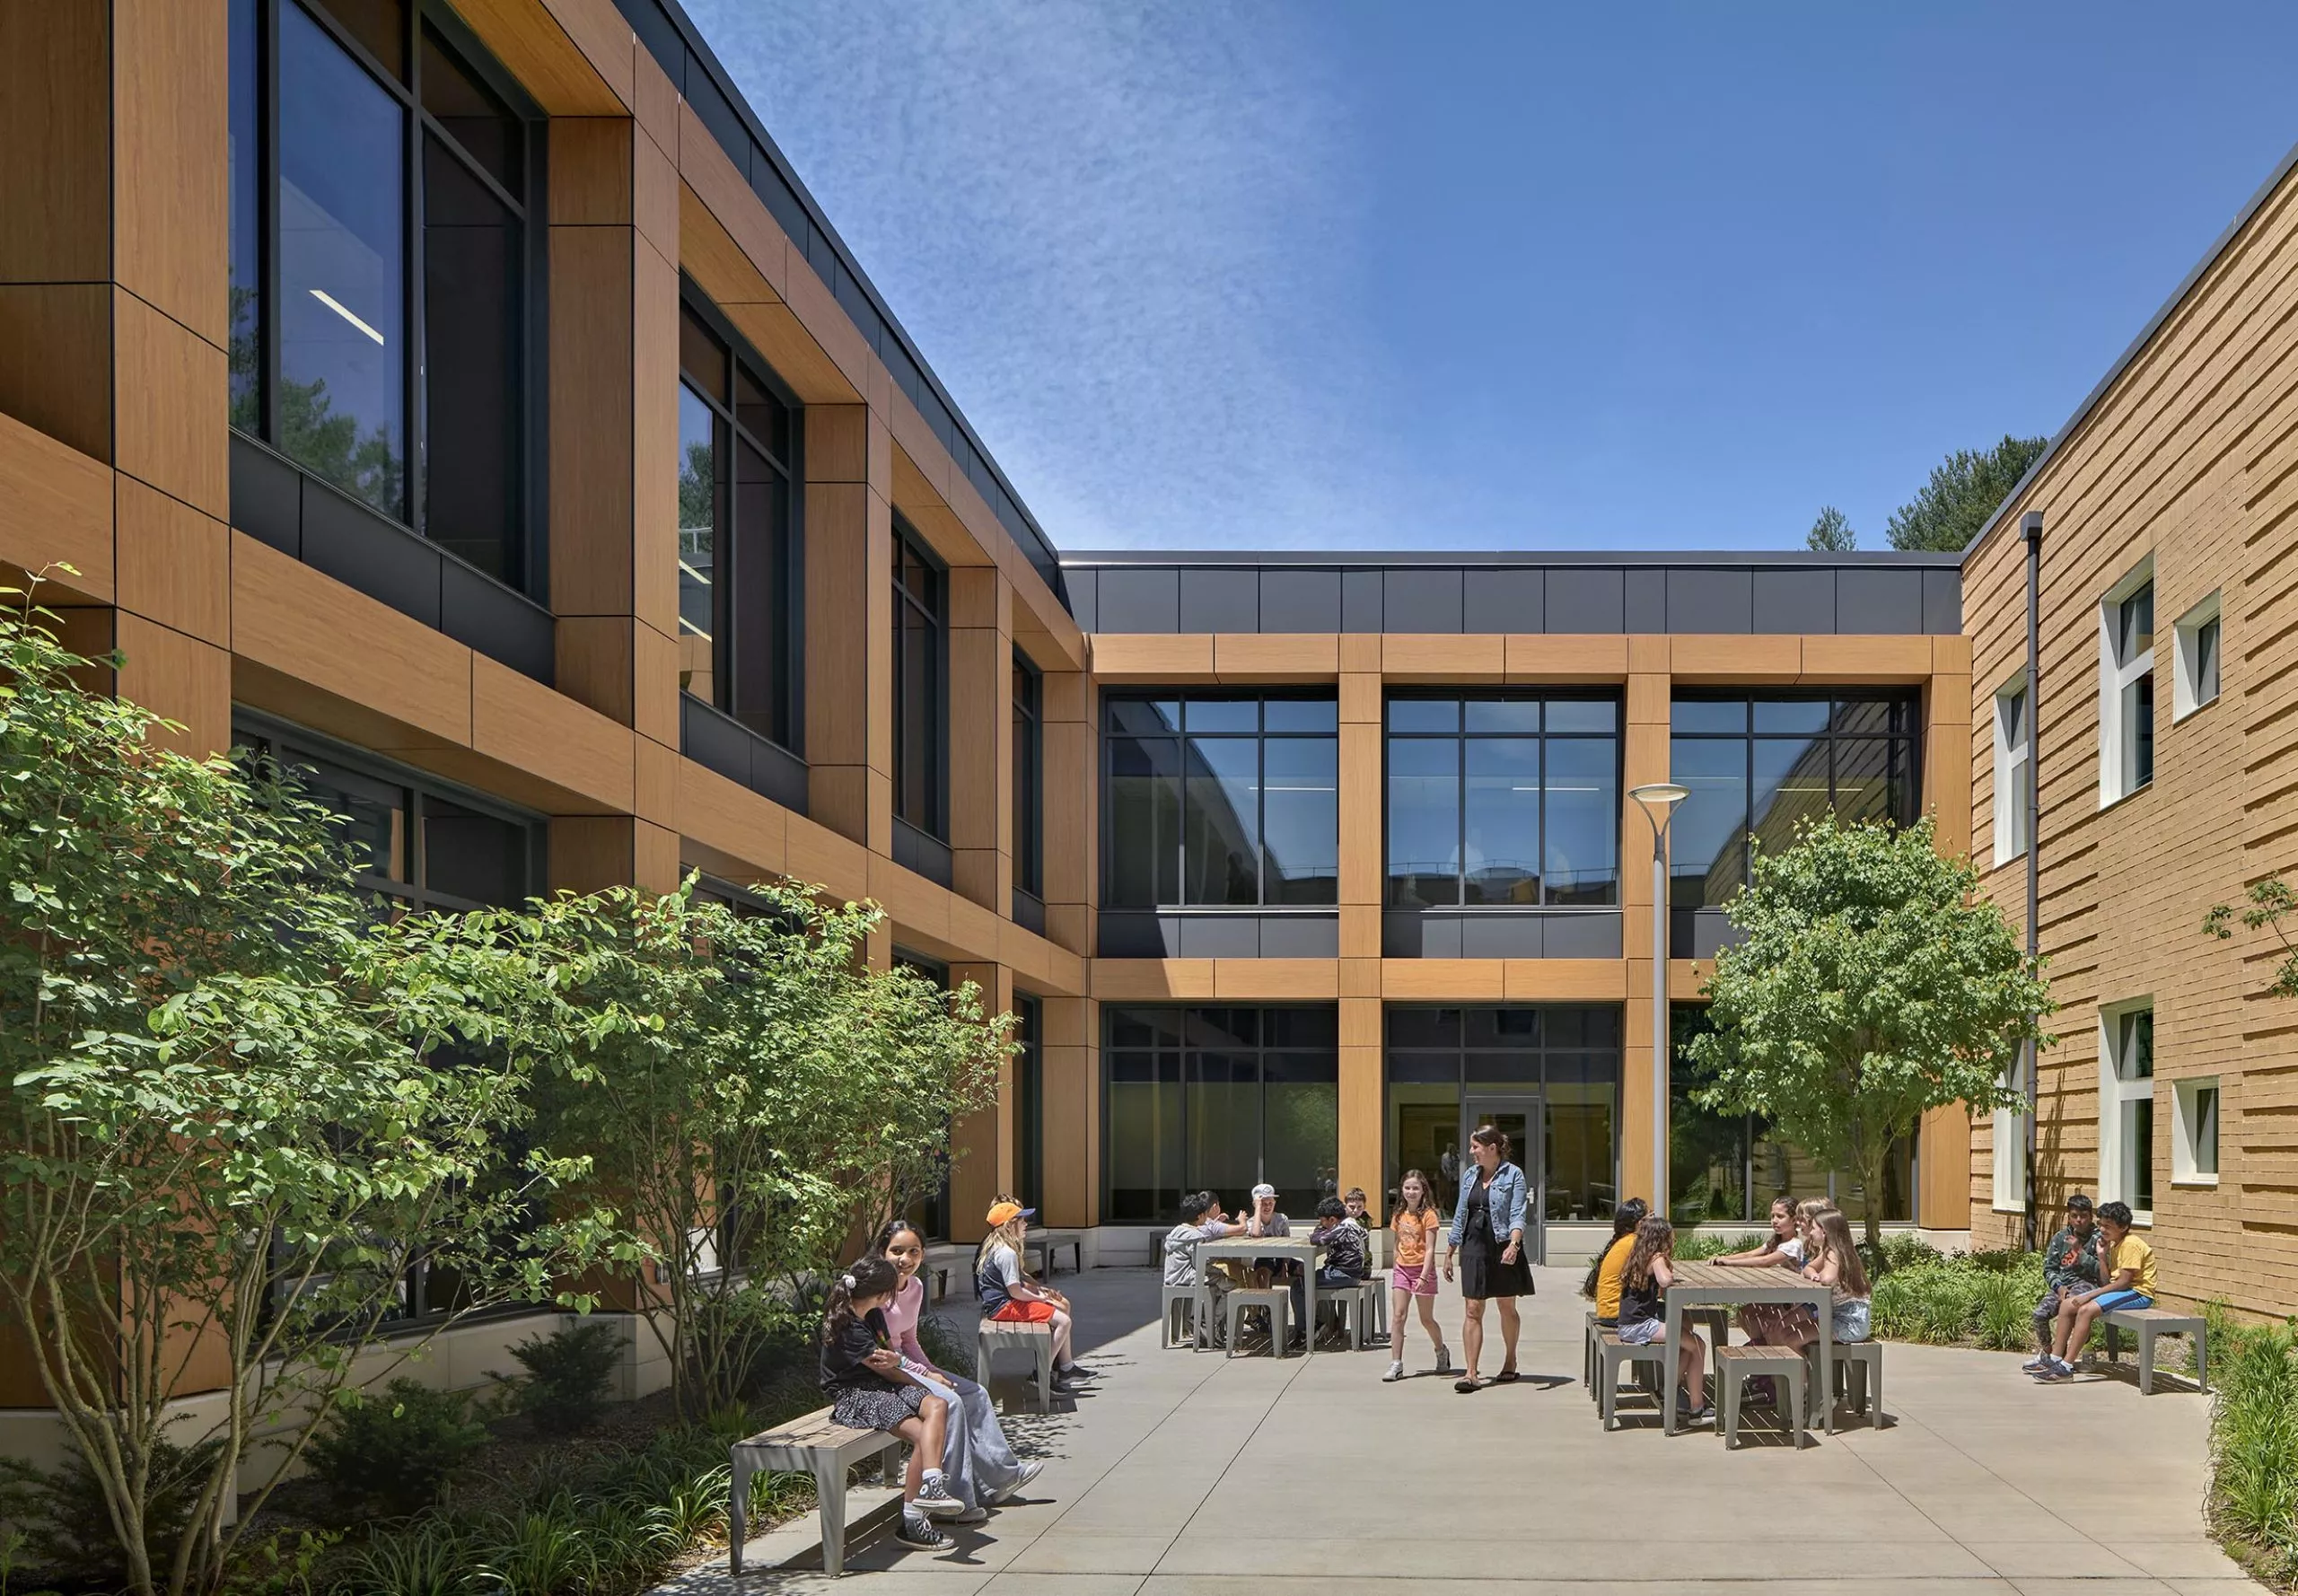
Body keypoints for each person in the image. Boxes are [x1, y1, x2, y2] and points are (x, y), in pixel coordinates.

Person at [877, 1220, 1041, 1519]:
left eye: (914, 1251)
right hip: (886, 1373)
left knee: (975, 1393)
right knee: (949, 1403)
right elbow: (887, 1352)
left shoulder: (914, 1287)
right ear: (882, 1253)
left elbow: (909, 1340)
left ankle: (1003, 1478)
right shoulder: (876, 1292)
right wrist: (927, 1375)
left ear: (923, 1255)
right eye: (896, 1251)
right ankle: (955, 1498)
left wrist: (931, 1369)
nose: (905, 1259)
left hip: (908, 1365)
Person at [820, 1257, 966, 1548]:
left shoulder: (872, 1314)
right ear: (882, 1294)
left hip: (883, 1383)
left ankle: (933, 1484)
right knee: (922, 1433)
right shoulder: (848, 1327)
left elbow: (890, 1358)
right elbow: (886, 1368)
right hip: (856, 1394)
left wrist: (912, 1373)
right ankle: (912, 1521)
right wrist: (921, 1381)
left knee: (938, 1405)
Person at [1442, 1123, 1532, 1392]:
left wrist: (1514, 1244)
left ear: (1492, 1148)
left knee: (1506, 1307)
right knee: (1472, 1309)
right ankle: (1471, 1373)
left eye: (1475, 1147)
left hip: (1503, 1244)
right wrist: (1449, 1252)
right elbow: (1460, 1213)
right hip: (1473, 1245)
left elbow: (1518, 1213)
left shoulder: (1513, 1174)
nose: (1471, 1152)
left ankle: (1509, 1360)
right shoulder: (1470, 1175)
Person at [977, 1198, 1092, 1394]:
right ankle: (1042, 1373)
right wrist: (1041, 1299)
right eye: (1021, 1220)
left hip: (1000, 1305)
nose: (1026, 1224)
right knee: (1064, 1321)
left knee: (1060, 1313)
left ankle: (1061, 1369)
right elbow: (1015, 1292)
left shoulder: (995, 1248)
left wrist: (1040, 1294)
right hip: (1005, 1306)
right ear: (1009, 1225)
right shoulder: (1007, 1253)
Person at [2035, 1199, 2156, 1381]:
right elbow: (2107, 1280)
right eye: (2100, 1225)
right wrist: (2101, 1256)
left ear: (2123, 1227)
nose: (2102, 1230)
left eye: (2107, 1226)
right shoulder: (2115, 1243)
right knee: (2068, 1305)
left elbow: (2124, 1283)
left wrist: (2090, 1294)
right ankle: (2055, 1357)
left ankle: (2066, 1367)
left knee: (2085, 1310)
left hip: (2138, 1293)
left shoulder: (2131, 1244)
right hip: (2123, 1290)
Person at [1616, 1215, 1710, 1421]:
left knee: (1688, 1343)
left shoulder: (1638, 1256)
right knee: (1698, 1344)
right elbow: (1665, 1281)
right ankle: (1697, 1407)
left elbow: (1656, 1292)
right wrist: (1668, 1270)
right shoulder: (1656, 1257)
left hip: (1629, 1324)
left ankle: (1669, 1391)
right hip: (1640, 1325)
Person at [1384, 1169, 1452, 1381]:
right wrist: (1396, 1267)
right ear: (1401, 1189)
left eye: (1415, 1188)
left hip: (1423, 1270)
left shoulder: (1429, 1215)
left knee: (1426, 1319)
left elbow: (1430, 1248)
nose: (1411, 1192)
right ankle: (1396, 1363)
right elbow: (1396, 1244)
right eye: (1407, 1188)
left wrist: (1423, 1276)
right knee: (1398, 1316)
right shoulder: (1398, 1215)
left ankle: (1441, 1350)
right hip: (1402, 1270)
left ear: (1423, 1190)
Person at [2022, 1194, 2101, 1373]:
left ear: (2091, 1216)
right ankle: (2049, 1353)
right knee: (2039, 1314)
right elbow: (2049, 1268)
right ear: (2068, 1216)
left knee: (2073, 1307)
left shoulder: (2098, 1239)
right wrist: (2058, 1287)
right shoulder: (2060, 1237)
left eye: (2083, 1216)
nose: (2079, 1220)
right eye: (2074, 1216)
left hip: (2088, 1284)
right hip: (2064, 1285)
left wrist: (2080, 1253)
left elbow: (2101, 1271)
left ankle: (2086, 1350)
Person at [1719, 1196, 1809, 1348]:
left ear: (1794, 1220)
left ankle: (1763, 1351)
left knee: (1764, 1321)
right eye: (1772, 1216)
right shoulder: (1776, 1241)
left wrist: (1729, 1262)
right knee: (1744, 1314)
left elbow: (1764, 1261)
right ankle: (1761, 1346)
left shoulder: (1794, 1245)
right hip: (1775, 1295)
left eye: (1780, 1216)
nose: (1774, 1220)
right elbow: (1750, 1254)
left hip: (1792, 1300)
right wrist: (1723, 1258)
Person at [1163, 1190, 1246, 1346]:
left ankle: (1204, 1321)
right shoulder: (1195, 1236)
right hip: (1188, 1277)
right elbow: (1199, 1264)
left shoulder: (1176, 1231)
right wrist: (1219, 1271)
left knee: (1221, 1281)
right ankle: (1207, 1323)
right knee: (1232, 1285)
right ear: (1201, 1216)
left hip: (1173, 1276)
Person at [1237, 1182, 1303, 1352]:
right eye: (1263, 1203)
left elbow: (1288, 1243)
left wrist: (1286, 1265)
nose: (1267, 1206)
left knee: (1303, 1268)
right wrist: (1257, 1210)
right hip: (1262, 1261)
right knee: (1263, 1268)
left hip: (1281, 1258)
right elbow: (1256, 1234)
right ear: (1255, 1204)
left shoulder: (1282, 1219)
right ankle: (1267, 1308)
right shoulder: (1253, 1222)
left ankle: (1306, 1321)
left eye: (1270, 1203)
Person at [1303, 1196, 1370, 1345]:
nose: (1321, 1224)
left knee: (1301, 1285)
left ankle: (1309, 1329)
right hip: (1351, 1273)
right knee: (1311, 1278)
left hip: (1343, 1274)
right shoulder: (1350, 1224)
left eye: (1323, 1220)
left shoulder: (1342, 1228)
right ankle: (1327, 1323)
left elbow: (1317, 1239)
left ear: (1332, 1220)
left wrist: (1315, 1233)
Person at [1580, 1197, 1650, 1329]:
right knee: (1678, 1325)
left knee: (1680, 1320)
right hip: (1618, 1314)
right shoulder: (1634, 1243)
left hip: (1609, 1311)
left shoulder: (1624, 1241)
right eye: (1651, 1216)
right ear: (1641, 1223)